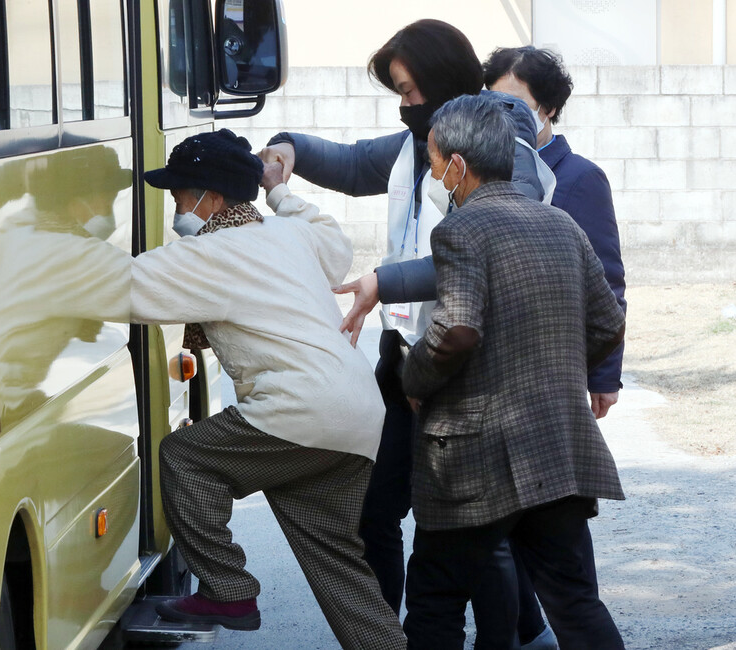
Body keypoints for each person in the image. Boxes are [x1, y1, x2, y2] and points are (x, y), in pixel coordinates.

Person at [259, 18, 552, 615]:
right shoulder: (415, 148)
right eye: (396, 91)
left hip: (462, 352)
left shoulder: (499, 146)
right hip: (405, 353)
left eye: (409, 91)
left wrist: (382, 280)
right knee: (377, 506)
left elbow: (490, 240)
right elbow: (348, 163)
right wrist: (289, 145)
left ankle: (515, 633)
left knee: (469, 524)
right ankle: (386, 630)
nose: (403, 107)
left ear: (443, 83)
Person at [91, 129, 405, 649]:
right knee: (341, 572)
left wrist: (32, 267)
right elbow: (333, 241)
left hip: (303, 410)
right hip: (356, 414)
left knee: (185, 458)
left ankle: (228, 591)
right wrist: (279, 189)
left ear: (211, 198)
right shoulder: (287, 233)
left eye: (180, 197)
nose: (178, 209)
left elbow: (121, 286)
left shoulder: (215, 252)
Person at [400, 92, 627, 649]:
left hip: (472, 459)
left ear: (457, 165)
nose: (431, 172)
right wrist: (554, 372)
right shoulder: (561, 226)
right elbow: (607, 324)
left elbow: (456, 331)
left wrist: (414, 379)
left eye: (433, 159)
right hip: (556, 447)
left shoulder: (460, 229)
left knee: (436, 600)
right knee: (574, 602)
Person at [483, 45, 627, 649]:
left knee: (559, 559)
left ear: (548, 110)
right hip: (488, 390)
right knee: (501, 549)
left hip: (549, 384)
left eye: (514, 103)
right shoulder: (477, 176)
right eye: (492, 101)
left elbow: (609, 284)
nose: (503, 116)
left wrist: (604, 374)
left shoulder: (579, 178)